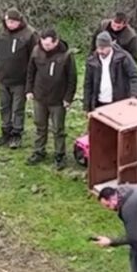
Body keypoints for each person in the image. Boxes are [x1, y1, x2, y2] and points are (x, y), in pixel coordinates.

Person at [25, 27, 77, 169]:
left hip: (58, 100)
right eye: (43, 43)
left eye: (48, 44)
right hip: (40, 97)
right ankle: (39, 151)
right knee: (40, 126)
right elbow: (31, 71)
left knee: (58, 129)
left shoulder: (66, 56)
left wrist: (68, 98)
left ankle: (60, 155)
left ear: (56, 42)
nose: (45, 47)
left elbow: (72, 78)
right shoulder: (36, 51)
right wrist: (29, 89)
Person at [0, 8, 37, 149]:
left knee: (18, 108)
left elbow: (35, 58)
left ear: (19, 21)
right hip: (3, 77)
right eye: (7, 21)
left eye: (12, 22)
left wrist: (31, 81)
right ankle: (5, 131)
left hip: (20, 80)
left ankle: (16, 133)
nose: (9, 24)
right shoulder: (0, 33)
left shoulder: (29, 35)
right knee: (4, 106)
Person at [83, 32, 137, 112]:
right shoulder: (92, 61)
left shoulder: (123, 57)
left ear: (110, 46)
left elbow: (135, 76)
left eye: (103, 48)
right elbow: (88, 84)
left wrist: (134, 95)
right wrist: (87, 107)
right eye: (98, 48)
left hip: (119, 103)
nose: (100, 51)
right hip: (99, 103)